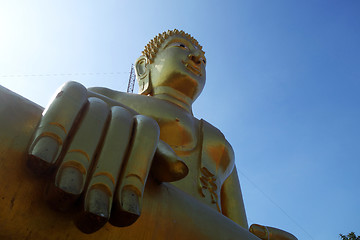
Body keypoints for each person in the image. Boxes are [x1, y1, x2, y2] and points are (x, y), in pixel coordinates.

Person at [26, 29, 296, 240]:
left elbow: (235, 226)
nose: (197, 58)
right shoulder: (106, 99)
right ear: (144, 67)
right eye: (181, 47)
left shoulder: (220, 143)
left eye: (203, 58)